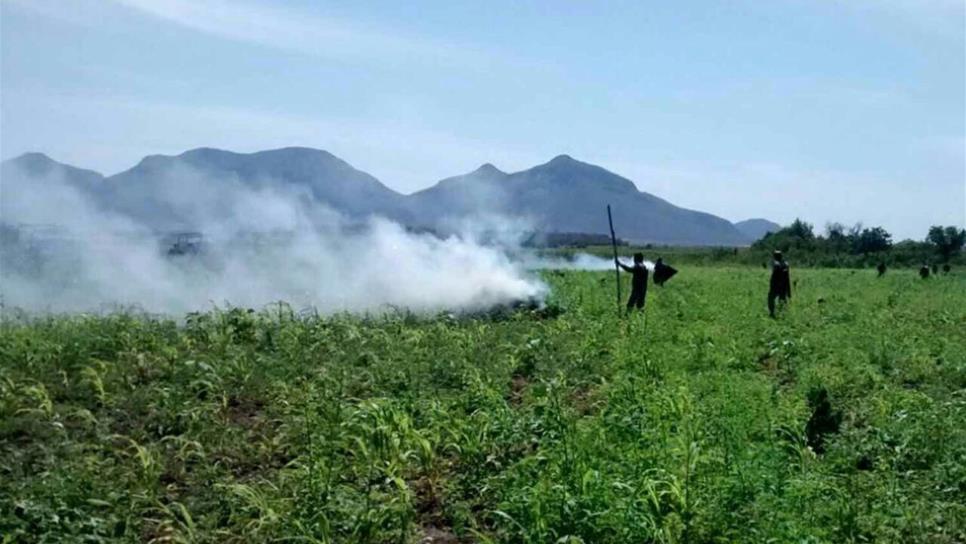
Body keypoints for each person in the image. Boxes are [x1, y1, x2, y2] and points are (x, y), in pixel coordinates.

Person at [768, 250, 791, 318]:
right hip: (783, 285)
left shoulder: (776, 264)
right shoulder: (786, 264)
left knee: (770, 298)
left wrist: (772, 285)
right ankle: (782, 313)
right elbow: (787, 277)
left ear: (775, 256)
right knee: (782, 300)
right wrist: (788, 290)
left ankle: (772, 313)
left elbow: (774, 277)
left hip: (776, 286)